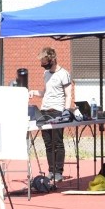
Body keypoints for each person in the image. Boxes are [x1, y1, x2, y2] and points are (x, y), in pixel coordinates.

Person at [28, 47, 73, 182]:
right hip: (44, 111)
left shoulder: (64, 74)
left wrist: (65, 111)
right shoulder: (46, 74)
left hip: (58, 111)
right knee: (48, 143)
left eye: (44, 60)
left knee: (57, 142)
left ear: (52, 59)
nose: (43, 63)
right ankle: (51, 171)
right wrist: (34, 92)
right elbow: (46, 92)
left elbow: (68, 94)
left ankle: (59, 171)